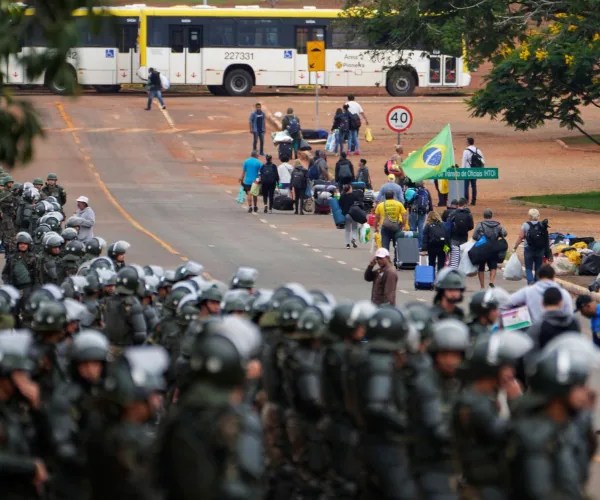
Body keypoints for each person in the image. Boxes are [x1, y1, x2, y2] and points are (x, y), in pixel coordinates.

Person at [454, 332, 532, 499]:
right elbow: (509, 434)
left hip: (495, 480)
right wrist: (518, 402)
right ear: (491, 369)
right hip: (482, 486)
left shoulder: (488, 397)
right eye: (506, 368)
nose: (511, 374)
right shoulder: (475, 403)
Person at [505, 264, 574, 323]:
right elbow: (569, 315)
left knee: (513, 316)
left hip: (533, 330)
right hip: (558, 332)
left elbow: (506, 304)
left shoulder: (528, 291)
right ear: (553, 276)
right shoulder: (563, 293)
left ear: (538, 276)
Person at [512, 208, 551, 285]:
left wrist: (515, 247)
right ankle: (536, 284)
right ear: (538, 216)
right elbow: (546, 239)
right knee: (538, 268)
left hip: (528, 249)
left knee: (528, 268)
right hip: (540, 249)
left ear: (529, 216)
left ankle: (530, 282)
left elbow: (521, 237)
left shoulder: (525, 225)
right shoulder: (542, 225)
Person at [472, 208, 507, 288]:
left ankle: (482, 286)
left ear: (484, 216)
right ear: (491, 215)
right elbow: (505, 233)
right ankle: (491, 281)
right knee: (493, 266)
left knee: (481, 267)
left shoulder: (480, 224)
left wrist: (480, 239)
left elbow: (474, 236)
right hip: (494, 247)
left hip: (483, 248)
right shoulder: (498, 225)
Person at [447, 198, 474, 269]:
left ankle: (453, 270)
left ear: (458, 204)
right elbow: (471, 226)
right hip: (464, 237)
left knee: (454, 256)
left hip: (454, 237)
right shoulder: (468, 214)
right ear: (465, 204)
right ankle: (460, 271)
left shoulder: (453, 214)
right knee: (461, 255)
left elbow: (448, 226)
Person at [408, 181, 434, 249]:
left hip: (414, 212)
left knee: (413, 228)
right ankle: (420, 246)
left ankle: (412, 245)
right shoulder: (426, 191)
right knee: (421, 229)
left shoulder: (414, 191)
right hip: (423, 213)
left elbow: (409, 201)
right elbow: (430, 201)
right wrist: (430, 211)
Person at [461, 137, 484, 206]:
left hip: (467, 170)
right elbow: (482, 161)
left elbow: (464, 162)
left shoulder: (466, 151)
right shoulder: (478, 150)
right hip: (475, 170)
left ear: (468, 142)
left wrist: (462, 171)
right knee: (474, 186)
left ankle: (466, 201)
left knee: (466, 186)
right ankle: (473, 201)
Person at [339, 184, 361, 249]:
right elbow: (359, 203)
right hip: (354, 214)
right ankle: (353, 238)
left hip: (346, 214)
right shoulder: (354, 196)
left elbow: (340, 204)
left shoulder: (342, 196)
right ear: (349, 189)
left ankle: (347, 244)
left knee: (347, 230)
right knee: (355, 228)